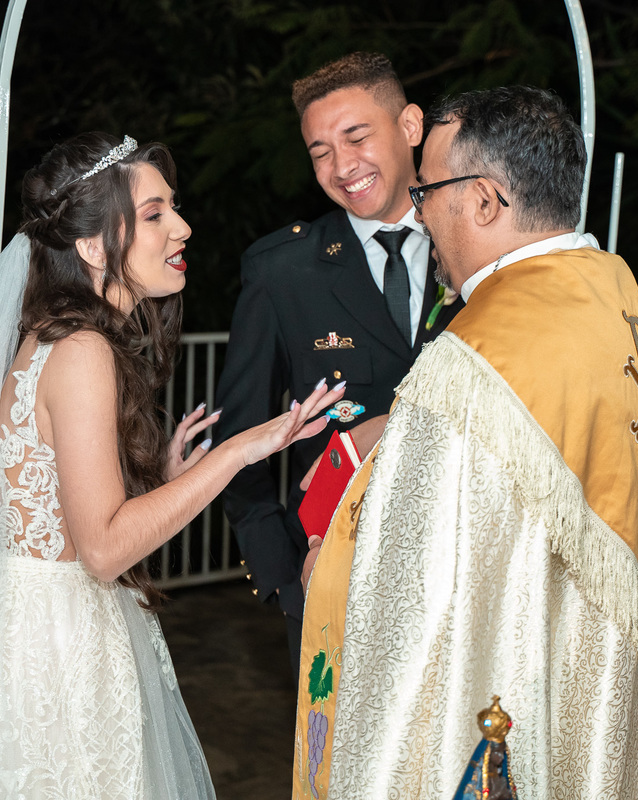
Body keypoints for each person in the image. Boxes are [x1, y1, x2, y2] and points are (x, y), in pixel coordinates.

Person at [0, 133, 345, 800]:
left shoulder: (43, 336)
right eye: (154, 214)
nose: (182, 226)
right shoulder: (84, 351)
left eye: (174, 207)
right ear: (92, 247)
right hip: (56, 650)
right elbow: (103, 549)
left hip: (18, 627)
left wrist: (168, 483)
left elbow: (59, 516)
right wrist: (239, 451)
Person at [292, 87, 638, 799]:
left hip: (502, 699)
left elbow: (414, 593)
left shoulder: (474, 362)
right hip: (591, 667)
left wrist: (332, 560)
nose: (418, 211)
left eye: (425, 190)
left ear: (484, 201)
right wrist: (396, 426)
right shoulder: (606, 289)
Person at [215, 52, 460, 676]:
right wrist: (280, 578)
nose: (341, 166)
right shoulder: (282, 272)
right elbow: (237, 438)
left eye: (356, 136)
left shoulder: (480, 246)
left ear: (410, 126)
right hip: (331, 585)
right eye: (319, 150)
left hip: (470, 581)